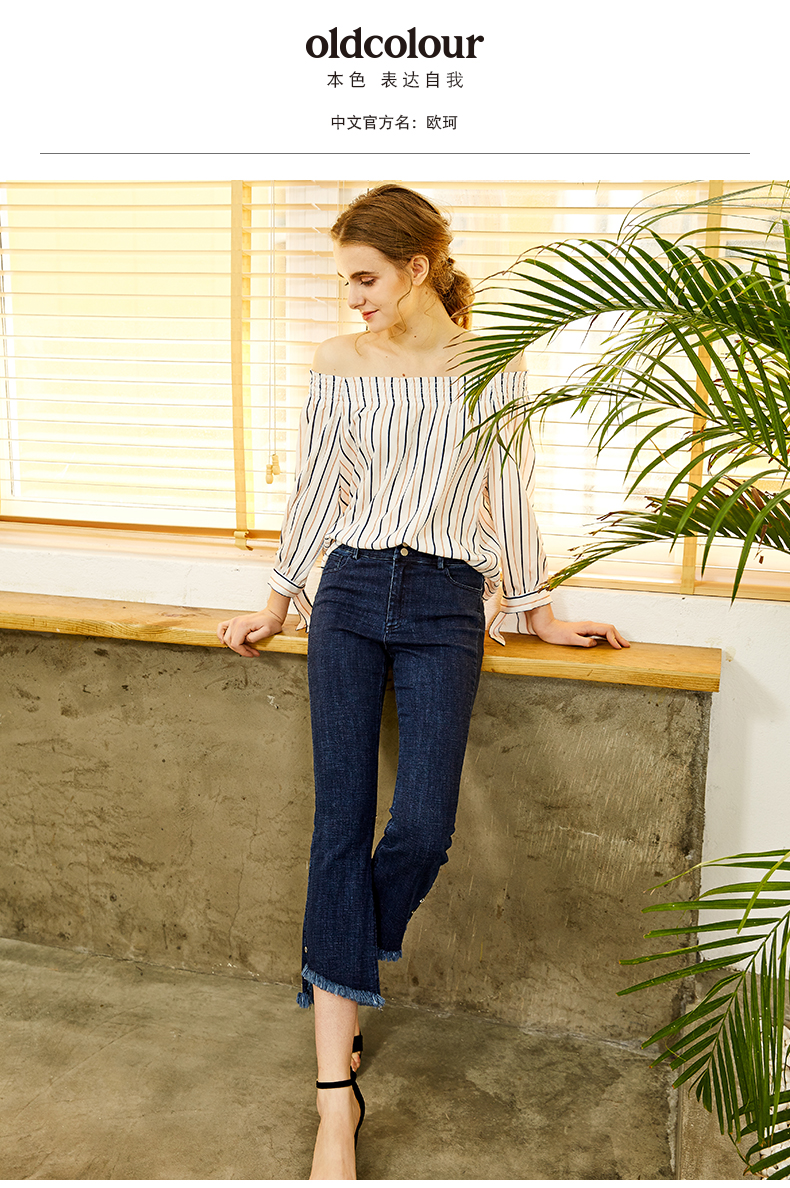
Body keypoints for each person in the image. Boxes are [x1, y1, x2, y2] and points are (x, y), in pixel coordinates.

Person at [217, 184, 629, 1179]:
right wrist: (278, 601)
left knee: (423, 827)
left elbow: (509, 490)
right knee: (339, 825)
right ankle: (335, 1101)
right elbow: (318, 488)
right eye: (344, 282)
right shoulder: (338, 363)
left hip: (447, 602)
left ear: (416, 267)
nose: (352, 298)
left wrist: (537, 609)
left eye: (365, 278)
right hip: (351, 594)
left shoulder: (492, 366)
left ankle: (337, 967)